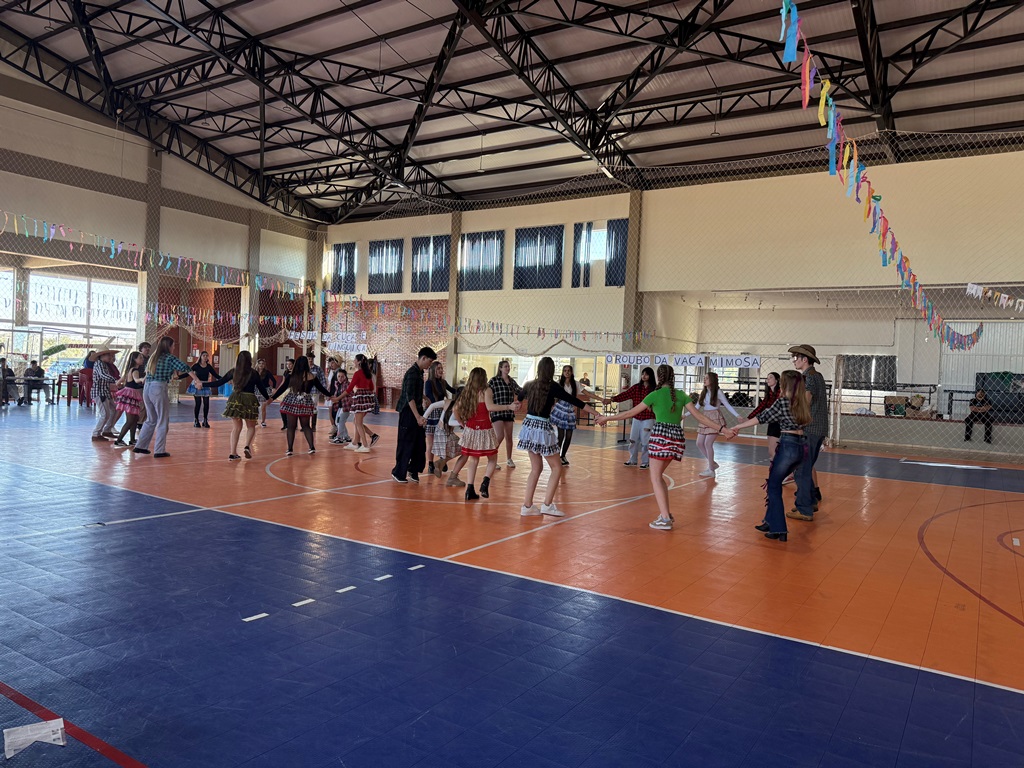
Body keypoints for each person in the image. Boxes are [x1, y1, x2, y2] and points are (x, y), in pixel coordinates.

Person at [596, 364, 734, 531]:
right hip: (676, 439)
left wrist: (606, 418)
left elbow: (629, 413)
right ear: (673, 377)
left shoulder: (654, 395)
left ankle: (665, 519)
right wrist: (723, 429)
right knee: (658, 477)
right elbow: (700, 417)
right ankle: (666, 514)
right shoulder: (681, 395)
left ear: (658, 377)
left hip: (660, 436)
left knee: (655, 478)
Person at [724, 370, 811, 542]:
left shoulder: (782, 402)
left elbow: (762, 418)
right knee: (774, 482)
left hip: (788, 445)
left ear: (785, 384)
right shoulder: (801, 402)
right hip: (802, 446)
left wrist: (738, 427)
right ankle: (770, 521)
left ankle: (779, 528)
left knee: (773, 485)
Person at [516, 357, 600, 517]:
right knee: (557, 467)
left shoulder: (529, 384)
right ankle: (547, 504)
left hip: (528, 426)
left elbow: (518, 400)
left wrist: (516, 404)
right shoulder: (553, 386)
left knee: (536, 469)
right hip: (541, 428)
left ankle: (527, 506)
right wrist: (596, 413)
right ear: (552, 370)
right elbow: (575, 401)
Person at [133, 337, 204, 457]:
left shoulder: (153, 357)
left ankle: (140, 446)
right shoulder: (169, 357)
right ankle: (159, 450)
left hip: (147, 388)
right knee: (163, 419)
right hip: (158, 387)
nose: (174, 348)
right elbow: (185, 367)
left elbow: (147, 374)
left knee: (151, 419)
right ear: (168, 346)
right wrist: (197, 380)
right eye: (173, 345)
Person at [454, 367, 515, 500]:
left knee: (473, 459)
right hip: (484, 428)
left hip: (471, 428)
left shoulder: (467, 391)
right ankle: (485, 482)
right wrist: (508, 407)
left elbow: (455, 409)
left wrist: (461, 423)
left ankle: (469, 489)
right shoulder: (486, 390)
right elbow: (490, 407)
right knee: (492, 458)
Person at [207, 351, 273, 460]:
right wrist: (268, 398)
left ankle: (233, 453)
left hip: (236, 399)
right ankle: (247, 446)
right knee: (251, 426)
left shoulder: (234, 372)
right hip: (249, 400)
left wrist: (203, 384)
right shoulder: (254, 373)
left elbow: (218, 382)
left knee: (236, 428)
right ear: (250, 360)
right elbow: (261, 388)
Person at [788, 344, 828, 522]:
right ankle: (810, 501)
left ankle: (804, 509)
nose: (793, 361)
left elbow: (806, 400)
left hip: (809, 428)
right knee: (805, 466)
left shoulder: (808, 377)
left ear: (805, 359)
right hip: (818, 428)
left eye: (796, 358)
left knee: (801, 470)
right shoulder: (817, 376)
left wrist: (795, 420)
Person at [391, 346, 438, 484]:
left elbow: (414, 391)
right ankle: (398, 472)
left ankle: (413, 470)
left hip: (417, 410)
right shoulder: (412, 373)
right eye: (429, 361)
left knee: (419, 443)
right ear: (423, 358)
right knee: (406, 442)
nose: (430, 365)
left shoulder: (419, 373)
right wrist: (417, 417)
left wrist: (424, 397)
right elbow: (409, 396)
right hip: (408, 412)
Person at [271, 355, 331, 456]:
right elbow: (321, 388)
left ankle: (290, 449)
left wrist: (272, 398)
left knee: (291, 426)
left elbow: (282, 388)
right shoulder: (311, 376)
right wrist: (330, 396)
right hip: (305, 401)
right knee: (306, 426)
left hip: (292, 401)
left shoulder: (291, 375)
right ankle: (311, 447)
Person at [606, 366, 655, 469]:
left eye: (646, 374)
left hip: (648, 418)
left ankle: (645, 461)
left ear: (651, 376)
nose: (644, 376)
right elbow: (625, 395)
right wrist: (612, 399)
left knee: (646, 441)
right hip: (636, 418)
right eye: (643, 374)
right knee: (633, 439)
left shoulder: (654, 389)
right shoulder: (636, 387)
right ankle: (632, 459)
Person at [693, 372, 740, 478]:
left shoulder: (718, 392)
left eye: (706, 378)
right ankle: (712, 464)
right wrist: (684, 415)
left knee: (708, 443)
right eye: (704, 378)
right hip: (705, 418)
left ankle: (711, 470)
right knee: (699, 443)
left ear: (712, 380)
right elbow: (696, 408)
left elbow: (727, 405)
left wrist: (737, 415)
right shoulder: (704, 392)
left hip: (715, 418)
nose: (704, 380)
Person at [551, 364, 599, 466]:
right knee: (561, 435)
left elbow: (588, 393)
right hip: (560, 410)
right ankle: (557, 456)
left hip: (570, 411)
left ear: (572, 372)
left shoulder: (576, 384)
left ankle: (563, 455)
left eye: (569, 370)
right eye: (565, 370)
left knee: (569, 436)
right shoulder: (559, 383)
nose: (567, 372)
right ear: (562, 372)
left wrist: (601, 399)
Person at [424, 360, 457, 475]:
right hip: (432, 412)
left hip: (442, 412)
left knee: (443, 440)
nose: (441, 370)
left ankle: (442, 460)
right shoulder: (429, 383)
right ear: (433, 370)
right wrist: (443, 403)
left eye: (441, 368)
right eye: (438, 368)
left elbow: (453, 390)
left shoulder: (443, 382)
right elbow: (430, 399)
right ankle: (430, 464)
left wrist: (465, 390)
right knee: (431, 442)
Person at [488, 360, 523, 469]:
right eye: (505, 366)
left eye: (508, 366)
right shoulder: (494, 380)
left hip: (508, 411)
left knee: (509, 437)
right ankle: (492, 457)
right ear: (500, 368)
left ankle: (509, 459)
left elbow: (520, 391)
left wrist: (522, 398)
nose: (508, 368)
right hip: (497, 411)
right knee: (500, 435)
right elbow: (487, 393)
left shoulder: (511, 381)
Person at [344, 355, 379, 452]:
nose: (353, 361)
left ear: (359, 362)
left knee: (358, 422)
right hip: (367, 399)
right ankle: (355, 442)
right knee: (356, 421)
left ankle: (365, 444)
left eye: (355, 360)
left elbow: (350, 388)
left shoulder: (360, 373)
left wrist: (339, 397)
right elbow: (372, 388)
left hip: (361, 399)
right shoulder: (368, 374)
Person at [112, 352, 146, 447]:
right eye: (140, 358)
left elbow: (118, 382)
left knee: (135, 418)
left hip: (129, 394)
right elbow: (136, 380)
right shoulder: (135, 370)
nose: (142, 359)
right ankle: (119, 440)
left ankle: (132, 439)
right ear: (135, 359)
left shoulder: (128, 370)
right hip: (131, 395)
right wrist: (144, 378)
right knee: (130, 420)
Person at [748, 372, 782, 462]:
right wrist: (749, 417)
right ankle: (775, 467)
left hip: (779, 423)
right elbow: (762, 406)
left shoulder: (780, 392)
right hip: (772, 422)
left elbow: (774, 410)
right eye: (767, 378)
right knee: (771, 450)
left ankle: (779, 468)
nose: (768, 379)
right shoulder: (769, 393)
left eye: (771, 377)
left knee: (773, 450)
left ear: (777, 380)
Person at [90, 349, 120, 441]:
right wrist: (116, 380)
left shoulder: (104, 364)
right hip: (100, 392)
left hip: (105, 391)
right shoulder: (99, 364)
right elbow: (103, 375)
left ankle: (107, 430)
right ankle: (96, 434)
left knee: (115, 409)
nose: (110, 357)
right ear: (102, 356)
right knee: (105, 414)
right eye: (108, 355)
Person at [187, 350, 218, 428]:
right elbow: (188, 373)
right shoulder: (196, 366)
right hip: (197, 384)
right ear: (200, 356)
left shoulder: (208, 366)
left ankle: (205, 420)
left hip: (205, 385)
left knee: (206, 403)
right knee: (198, 403)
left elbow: (215, 375)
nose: (205, 357)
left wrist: (225, 379)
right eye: (204, 355)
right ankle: (196, 420)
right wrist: (179, 377)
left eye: (206, 356)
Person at [254, 357, 276, 427]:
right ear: (257, 364)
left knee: (263, 407)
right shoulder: (254, 372)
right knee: (255, 406)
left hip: (265, 390)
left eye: (262, 363)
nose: (261, 365)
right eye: (259, 363)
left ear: (264, 365)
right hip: (256, 390)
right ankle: (255, 420)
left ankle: (263, 421)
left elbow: (274, 381)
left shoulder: (267, 372)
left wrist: (273, 388)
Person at [306, 351, 325, 431]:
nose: (310, 360)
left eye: (311, 359)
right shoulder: (304, 369)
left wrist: (323, 390)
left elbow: (322, 379)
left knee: (314, 408)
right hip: (305, 392)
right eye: (309, 358)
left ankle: (313, 426)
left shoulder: (318, 369)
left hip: (314, 392)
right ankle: (305, 425)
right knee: (305, 408)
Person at [279, 357, 294, 431]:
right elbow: (283, 381)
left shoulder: (296, 372)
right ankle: (285, 424)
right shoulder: (286, 372)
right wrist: (279, 389)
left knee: (291, 408)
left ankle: (292, 424)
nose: (288, 366)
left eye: (290, 364)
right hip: (285, 390)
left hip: (292, 391)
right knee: (282, 407)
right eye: (287, 364)